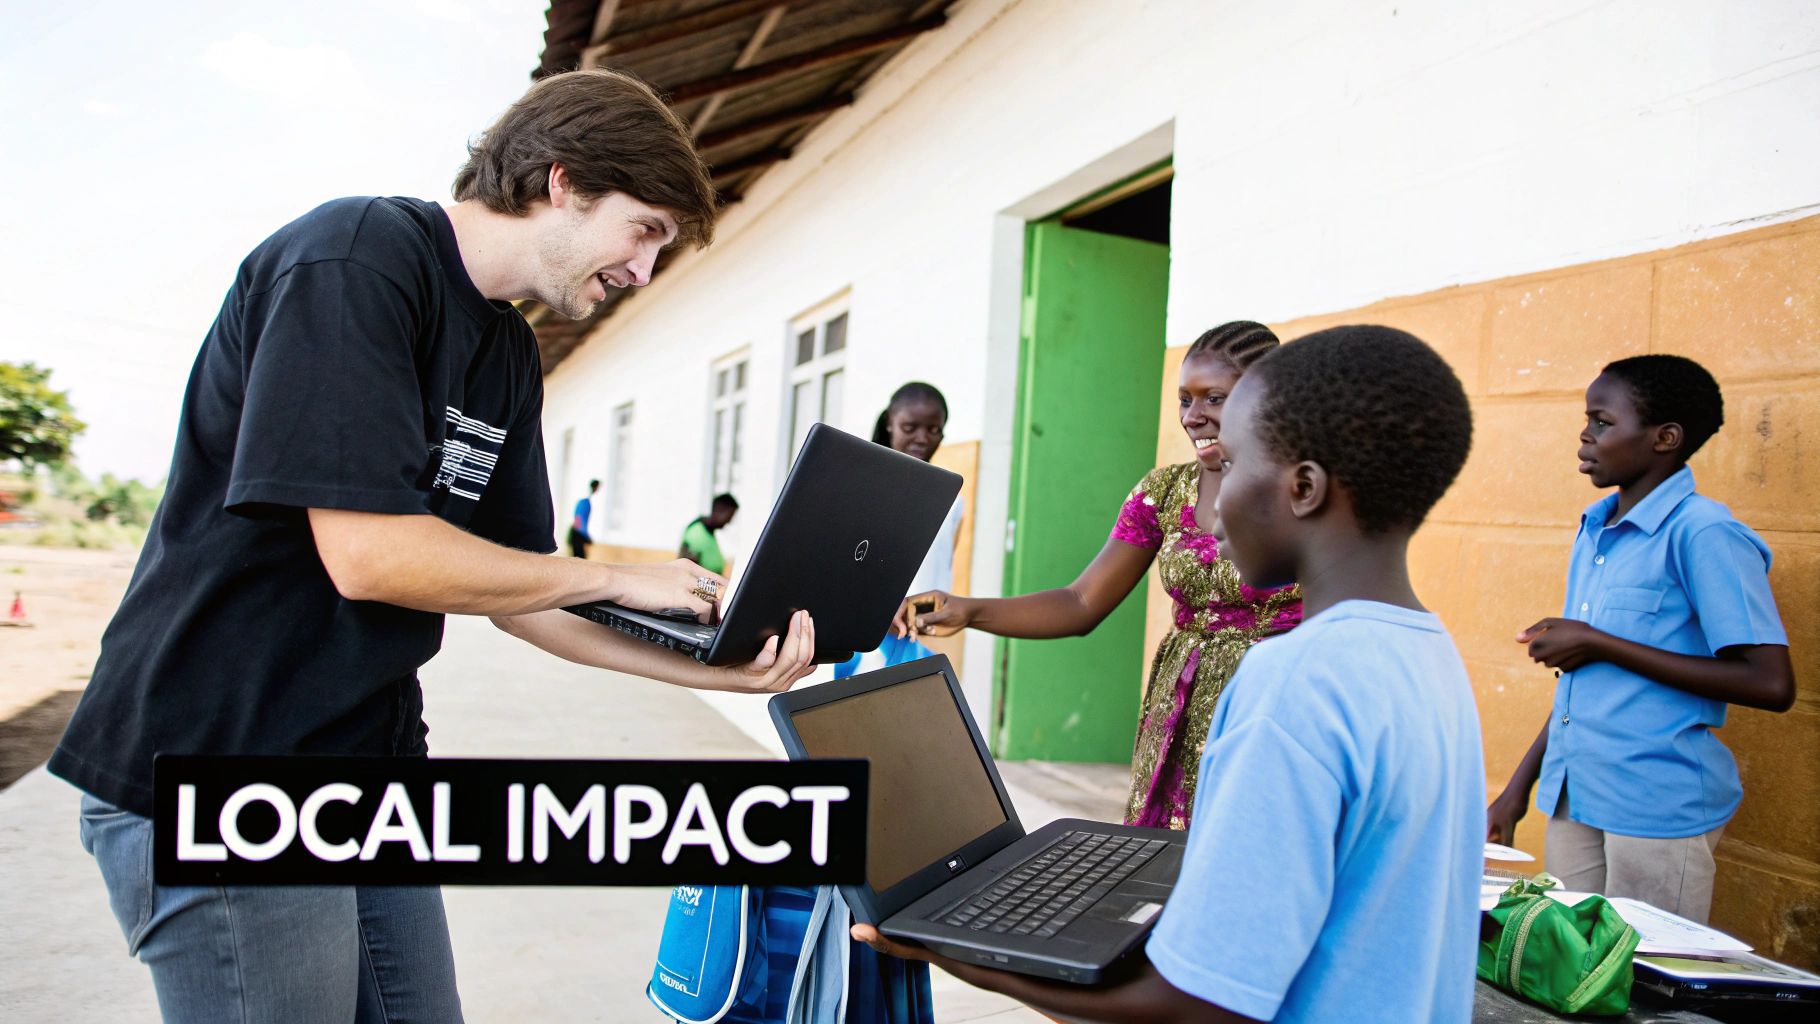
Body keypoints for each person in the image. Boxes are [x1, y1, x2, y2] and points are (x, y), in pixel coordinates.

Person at [48, 68, 818, 1023]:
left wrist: (718, 672)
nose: (642, 272)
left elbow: (530, 596)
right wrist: (622, 572)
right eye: (645, 230)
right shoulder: (356, 259)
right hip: (219, 762)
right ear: (561, 182)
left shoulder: (504, 354)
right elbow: (370, 556)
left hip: (367, 771)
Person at [857, 324, 1485, 1024]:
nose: (1210, 518)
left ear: (1303, 486)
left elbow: (1199, 1005)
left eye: (1236, 462)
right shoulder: (1430, 654)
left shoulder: (1291, 691)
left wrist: (963, 952)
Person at [896, 323, 1301, 828]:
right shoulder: (1164, 492)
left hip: (1279, 707)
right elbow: (1082, 601)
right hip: (1181, 713)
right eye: (1184, 400)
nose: (1193, 417)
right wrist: (970, 609)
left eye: (1213, 398)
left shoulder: (1307, 489)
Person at [1487, 355, 1793, 924]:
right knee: (1571, 976)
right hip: (1575, 795)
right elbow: (1584, 686)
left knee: (1643, 987)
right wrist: (1517, 788)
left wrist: (1600, 642)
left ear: (1665, 438)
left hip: (1657, 806)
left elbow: (1771, 683)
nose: (1585, 434)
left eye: (1602, 422)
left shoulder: (1704, 532)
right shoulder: (1596, 529)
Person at [836, 382, 963, 678]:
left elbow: (943, 563)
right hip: (871, 638)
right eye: (910, 427)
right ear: (890, 424)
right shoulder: (865, 487)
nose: (922, 438)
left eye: (934, 429)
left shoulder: (954, 498)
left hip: (925, 634)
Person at [678, 492, 739, 575]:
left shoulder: (709, 532)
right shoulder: (696, 534)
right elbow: (689, 573)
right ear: (720, 510)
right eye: (730, 516)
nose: (729, 522)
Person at [570, 477, 600, 557]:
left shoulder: (586, 500)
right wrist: (586, 536)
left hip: (578, 533)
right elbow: (579, 519)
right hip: (578, 533)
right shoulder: (584, 501)